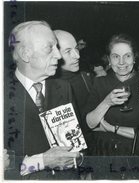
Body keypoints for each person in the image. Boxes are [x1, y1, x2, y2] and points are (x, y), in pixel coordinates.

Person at [4, 21, 82, 180]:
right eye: (50, 48)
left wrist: (78, 157)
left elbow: (77, 145)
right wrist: (42, 161)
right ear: (26, 54)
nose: (59, 56)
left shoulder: (64, 87)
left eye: (57, 47)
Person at [85, 34, 139, 179]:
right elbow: (88, 124)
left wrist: (112, 128)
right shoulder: (100, 83)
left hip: (133, 158)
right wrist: (107, 102)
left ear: (134, 58)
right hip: (102, 155)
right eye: (115, 56)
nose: (121, 62)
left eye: (127, 56)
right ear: (108, 59)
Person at [53, 30, 92, 141]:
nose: (77, 55)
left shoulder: (86, 77)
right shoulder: (48, 87)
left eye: (76, 48)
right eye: (68, 51)